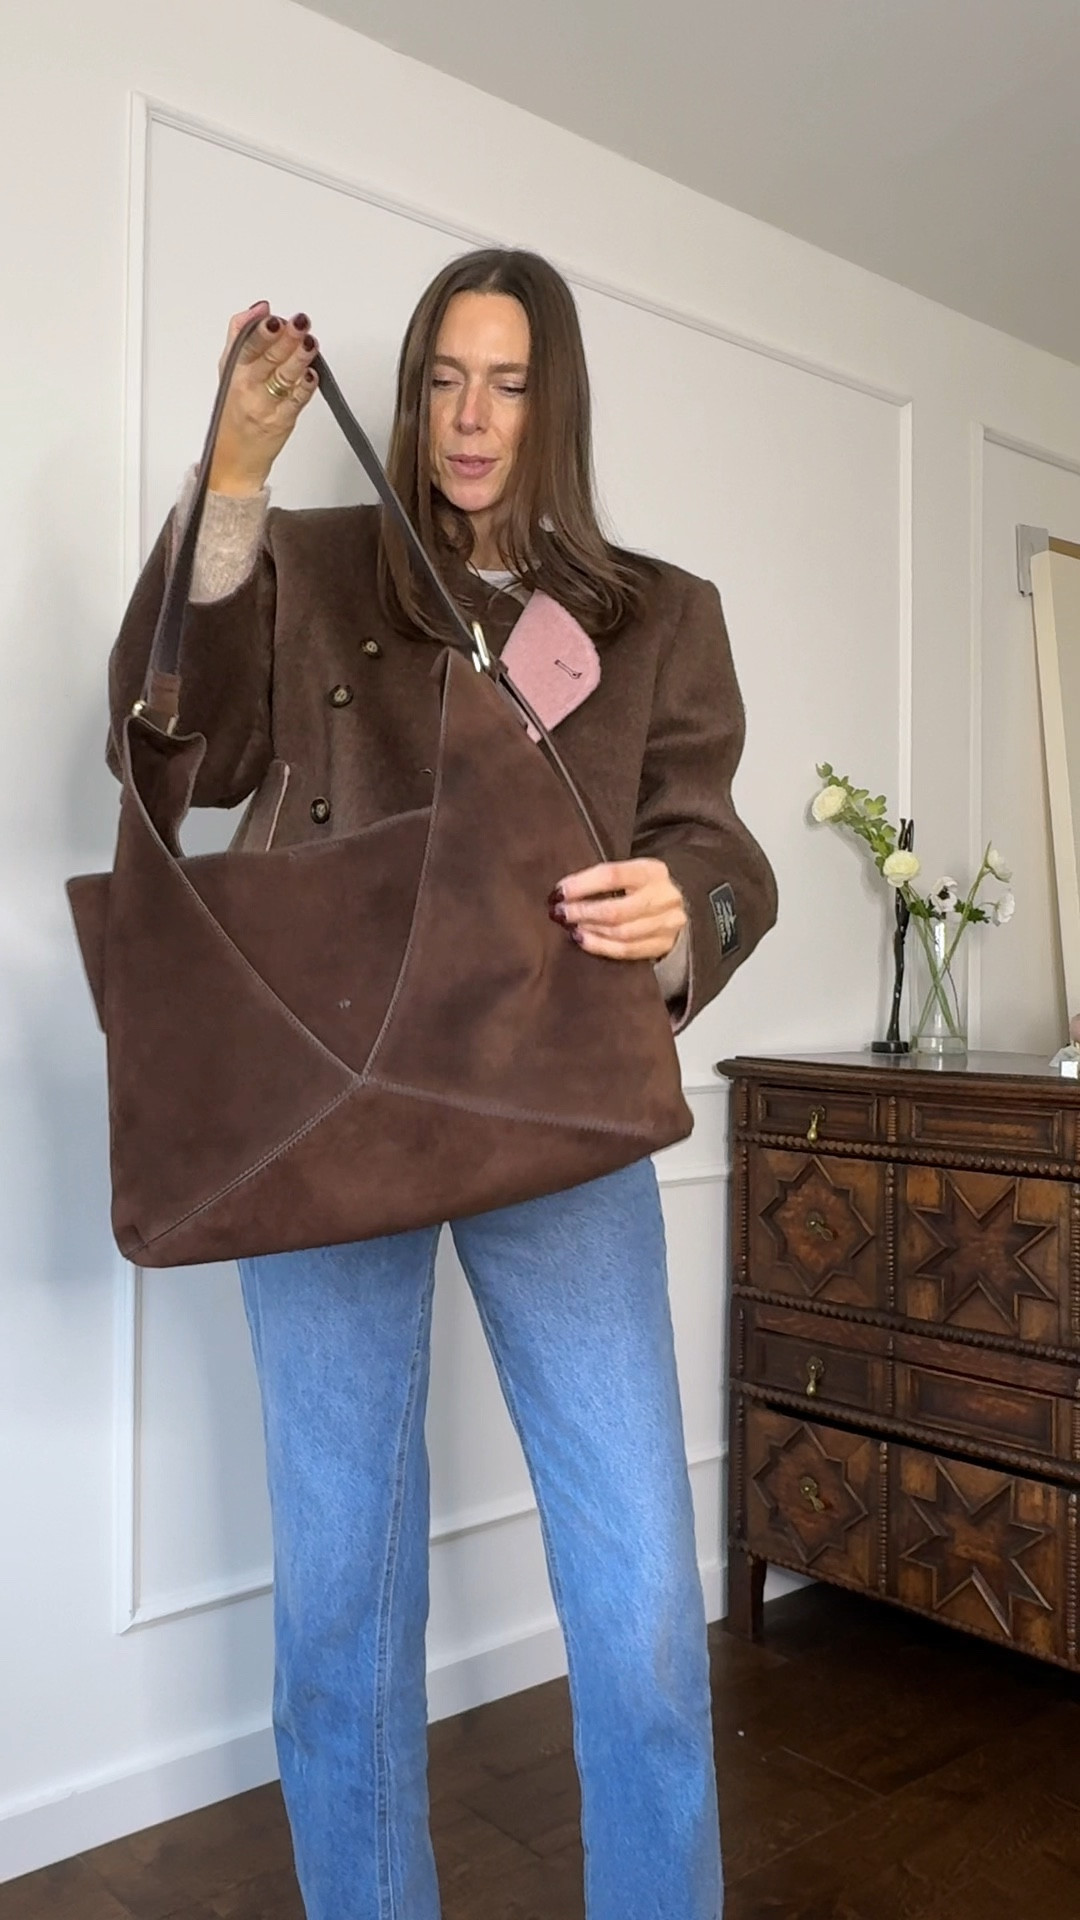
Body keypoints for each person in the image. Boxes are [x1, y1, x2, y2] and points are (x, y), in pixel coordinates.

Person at [107, 249, 777, 1920]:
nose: (471, 420)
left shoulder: (655, 613)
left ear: (556, 407)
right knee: (343, 1608)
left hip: (557, 1110)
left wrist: (681, 906)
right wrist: (239, 485)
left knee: (635, 1606)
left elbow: (709, 837)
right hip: (330, 1112)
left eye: (510, 383)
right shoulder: (319, 567)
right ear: (405, 397)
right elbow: (178, 756)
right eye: (441, 381)